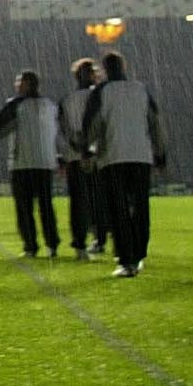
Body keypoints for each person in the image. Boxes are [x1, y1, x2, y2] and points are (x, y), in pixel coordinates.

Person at [81, 50, 168, 278]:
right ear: (124, 67)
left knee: (117, 210)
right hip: (141, 156)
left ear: (105, 70)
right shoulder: (141, 90)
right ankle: (139, 255)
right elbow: (155, 122)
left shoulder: (101, 92)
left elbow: (92, 125)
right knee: (140, 208)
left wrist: (86, 149)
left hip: (113, 157)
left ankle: (125, 259)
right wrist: (160, 154)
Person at [0, 69, 62, 258]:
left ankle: (30, 246)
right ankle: (52, 245)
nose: (17, 85)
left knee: (24, 207)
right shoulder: (50, 105)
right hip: (45, 163)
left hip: (22, 162)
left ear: (27, 84)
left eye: (19, 82)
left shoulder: (17, 105)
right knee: (46, 206)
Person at [58, 58, 107, 260]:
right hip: (97, 156)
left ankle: (82, 244)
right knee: (97, 199)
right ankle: (97, 239)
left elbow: (62, 130)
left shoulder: (67, 100)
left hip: (76, 156)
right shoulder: (100, 96)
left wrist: (73, 147)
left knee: (80, 202)